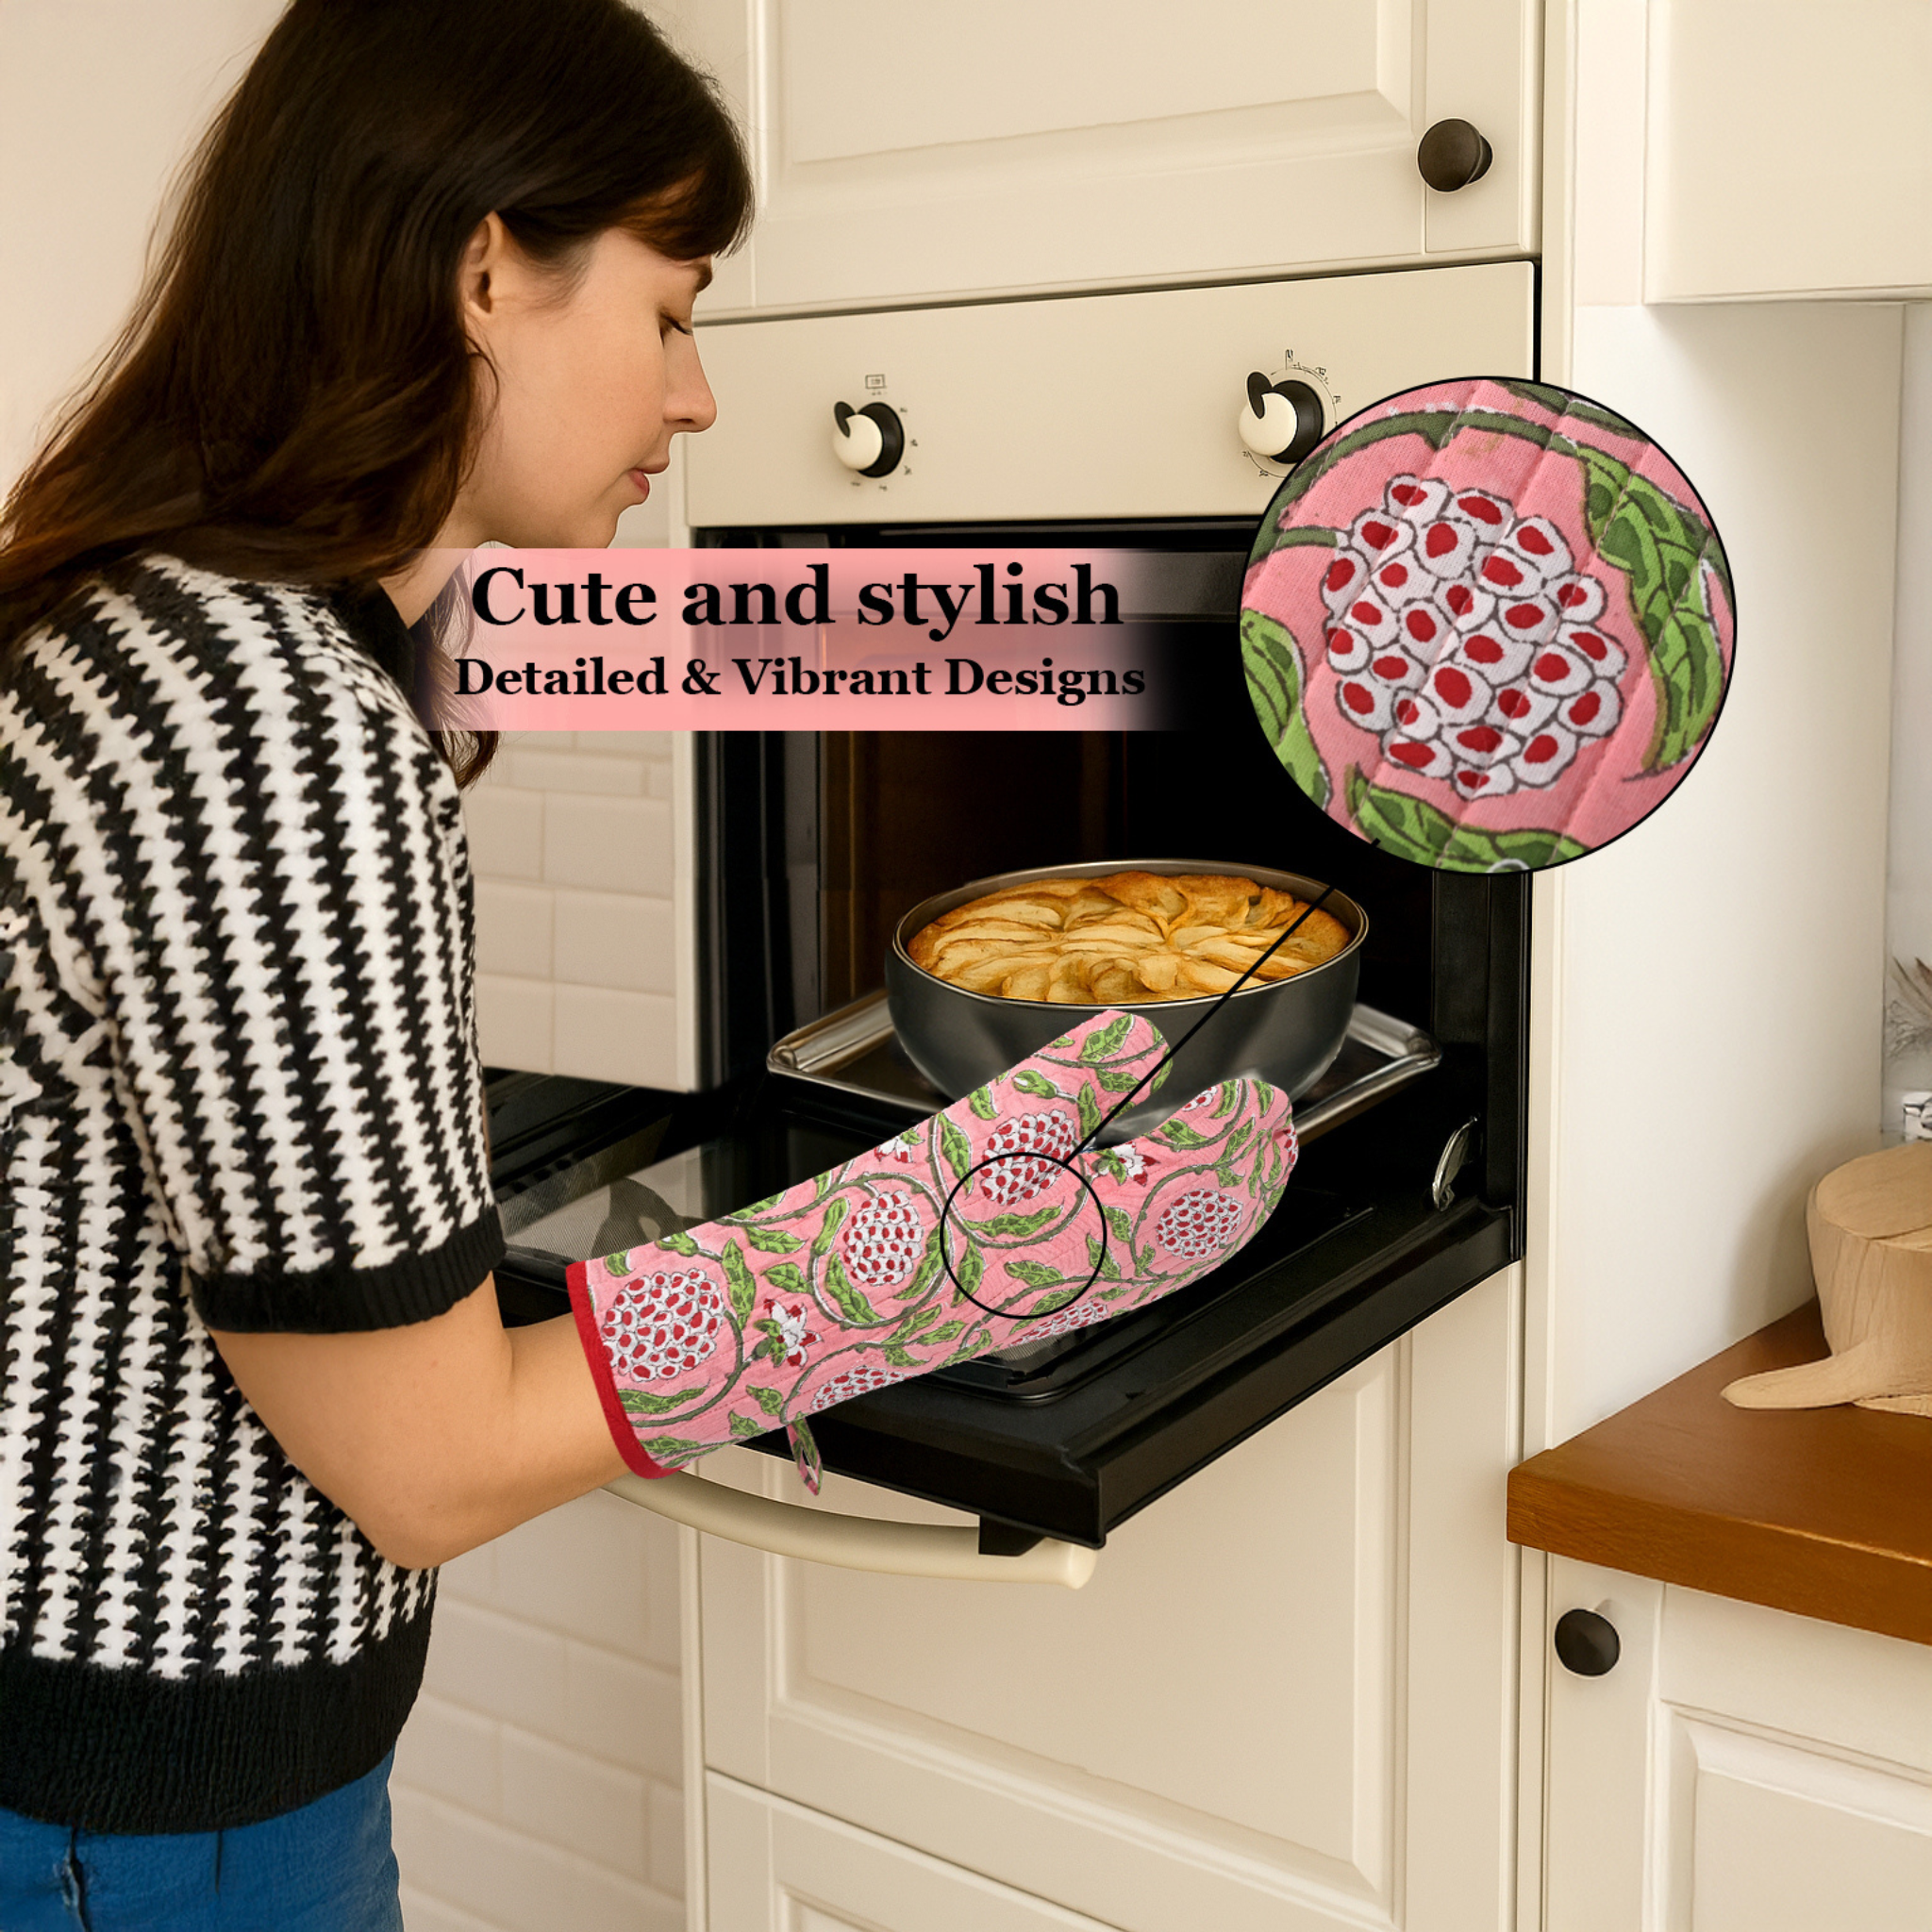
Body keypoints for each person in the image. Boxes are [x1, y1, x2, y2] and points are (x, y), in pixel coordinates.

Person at [0, 1, 751, 1922]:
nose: (697, 397)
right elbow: (424, 1465)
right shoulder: (259, 709)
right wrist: (935, 1258)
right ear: (485, 268)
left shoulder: (151, 625)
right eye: (672, 308)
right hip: (139, 1817)